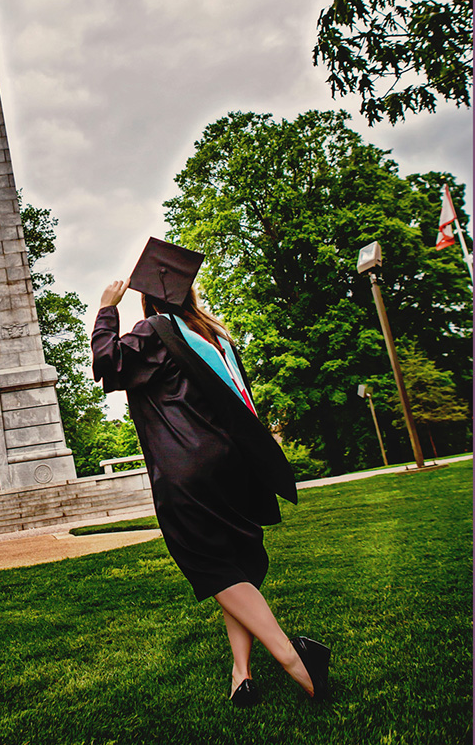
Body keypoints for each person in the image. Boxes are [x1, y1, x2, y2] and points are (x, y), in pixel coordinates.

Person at [91, 258, 330, 707]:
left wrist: (107, 308)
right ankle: (241, 674)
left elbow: (107, 362)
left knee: (213, 567)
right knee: (237, 565)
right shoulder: (213, 336)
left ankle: (295, 658)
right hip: (234, 466)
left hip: (188, 471)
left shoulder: (155, 332)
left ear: (148, 298)